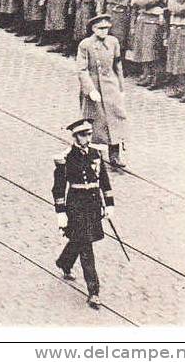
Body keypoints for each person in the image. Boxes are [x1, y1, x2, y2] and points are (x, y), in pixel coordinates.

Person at [53, 118, 115, 310]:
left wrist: (109, 204)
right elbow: (58, 188)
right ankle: (94, 292)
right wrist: (61, 212)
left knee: (80, 240)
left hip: (93, 205)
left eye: (89, 134)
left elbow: (104, 180)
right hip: (76, 207)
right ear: (74, 137)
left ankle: (64, 262)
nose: (86, 138)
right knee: (86, 247)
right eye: (82, 135)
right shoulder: (66, 159)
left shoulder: (96, 154)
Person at [76, 15, 128, 169]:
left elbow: (118, 66)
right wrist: (90, 89)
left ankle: (115, 155)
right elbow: (81, 70)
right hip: (94, 86)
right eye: (100, 28)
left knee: (115, 118)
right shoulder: (85, 45)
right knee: (95, 122)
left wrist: (121, 87)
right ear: (93, 29)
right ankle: (90, 154)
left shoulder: (113, 42)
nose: (104, 31)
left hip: (110, 85)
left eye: (106, 28)